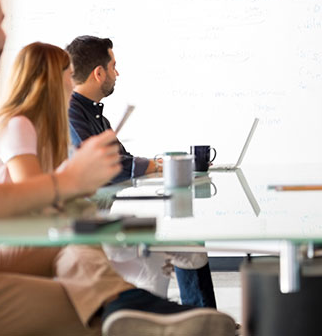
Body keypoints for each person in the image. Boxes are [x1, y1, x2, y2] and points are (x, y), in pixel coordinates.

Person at [0, 0, 235, 336]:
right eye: (0, 23)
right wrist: (65, 183)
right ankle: (134, 314)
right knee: (83, 311)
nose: (5, 34)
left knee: (77, 249)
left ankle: (132, 309)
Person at [66, 35, 217, 308]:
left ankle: (201, 321)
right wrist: (159, 166)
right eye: (113, 66)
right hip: (87, 226)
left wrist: (159, 165)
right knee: (185, 244)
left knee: (190, 240)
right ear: (99, 73)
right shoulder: (71, 113)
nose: (117, 73)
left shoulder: (96, 116)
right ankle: (195, 320)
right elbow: (111, 167)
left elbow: (124, 160)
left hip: (102, 217)